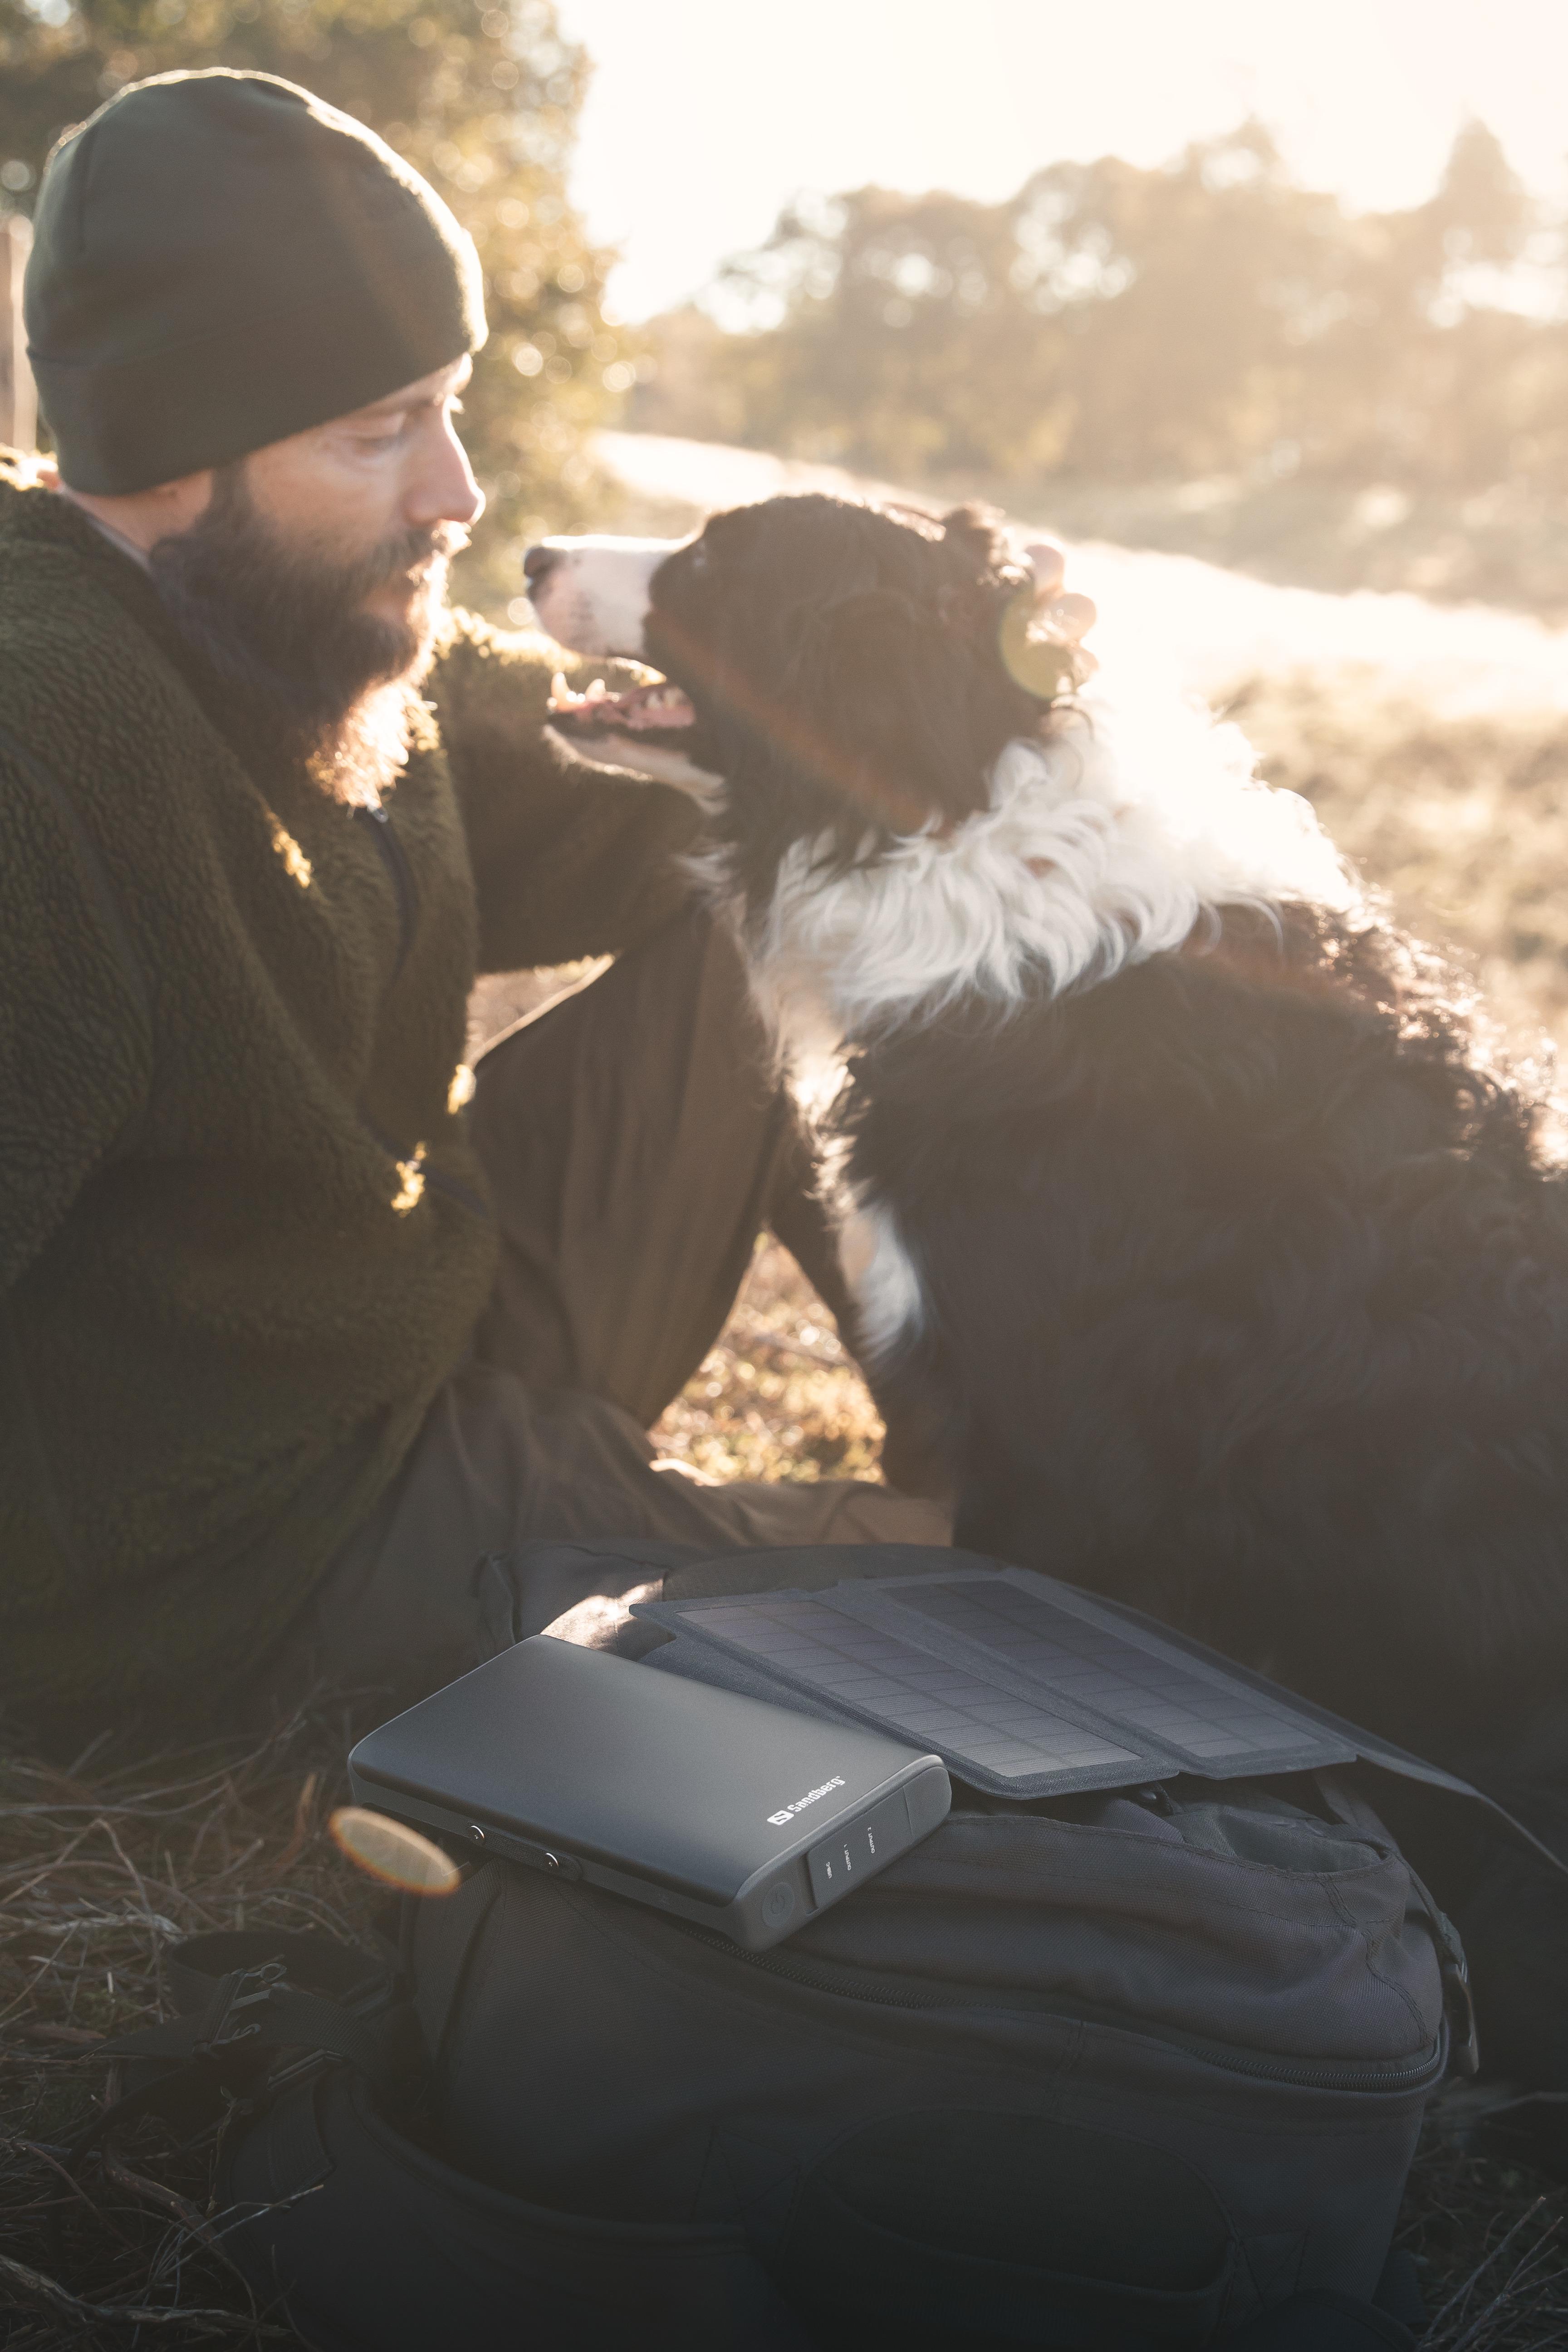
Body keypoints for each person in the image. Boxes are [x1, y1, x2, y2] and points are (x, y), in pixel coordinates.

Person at [0, 68, 946, 1749]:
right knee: (1025, 1598)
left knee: (764, 886)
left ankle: (990, 1409)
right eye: (378, 432)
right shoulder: (44, 753)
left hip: (427, 1310)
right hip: (254, 1546)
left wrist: (961, 695)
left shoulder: (308, 621)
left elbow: (681, 776)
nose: (458, 493)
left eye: (448, 404)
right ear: (159, 455)